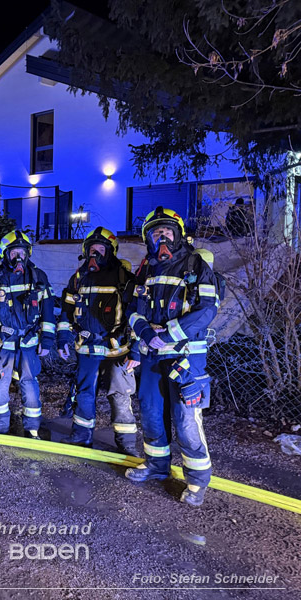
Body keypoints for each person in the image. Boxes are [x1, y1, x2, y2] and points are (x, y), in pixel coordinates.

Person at [125, 206, 218, 507]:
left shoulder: (196, 265)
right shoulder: (146, 270)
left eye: (167, 232)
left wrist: (165, 335)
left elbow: (207, 310)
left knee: (186, 421)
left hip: (186, 360)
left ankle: (197, 481)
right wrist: (143, 331)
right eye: (156, 233)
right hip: (152, 357)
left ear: (178, 235)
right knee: (151, 414)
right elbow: (130, 308)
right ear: (149, 239)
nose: (161, 238)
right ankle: (156, 466)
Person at [56, 227, 138, 455]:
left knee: (120, 395)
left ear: (111, 252)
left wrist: (136, 350)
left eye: (101, 249)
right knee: (84, 393)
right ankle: (82, 436)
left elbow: (136, 315)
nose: (95, 254)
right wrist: (63, 337)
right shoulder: (79, 277)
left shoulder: (124, 278)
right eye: (92, 249)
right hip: (88, 348)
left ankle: (127, 444)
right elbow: (66, 310)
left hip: (117, 350)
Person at [0, 230, 56, 438]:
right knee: (0, 382)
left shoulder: (38, 276)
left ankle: (32, 427)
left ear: (28, 253)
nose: (18, 256)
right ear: (5, 254)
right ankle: (0, 424)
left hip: (29, 341)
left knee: (29, 383)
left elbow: (48, 310)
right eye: (14, 252)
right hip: (3, 341)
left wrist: (47, 339)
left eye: (22, 251)